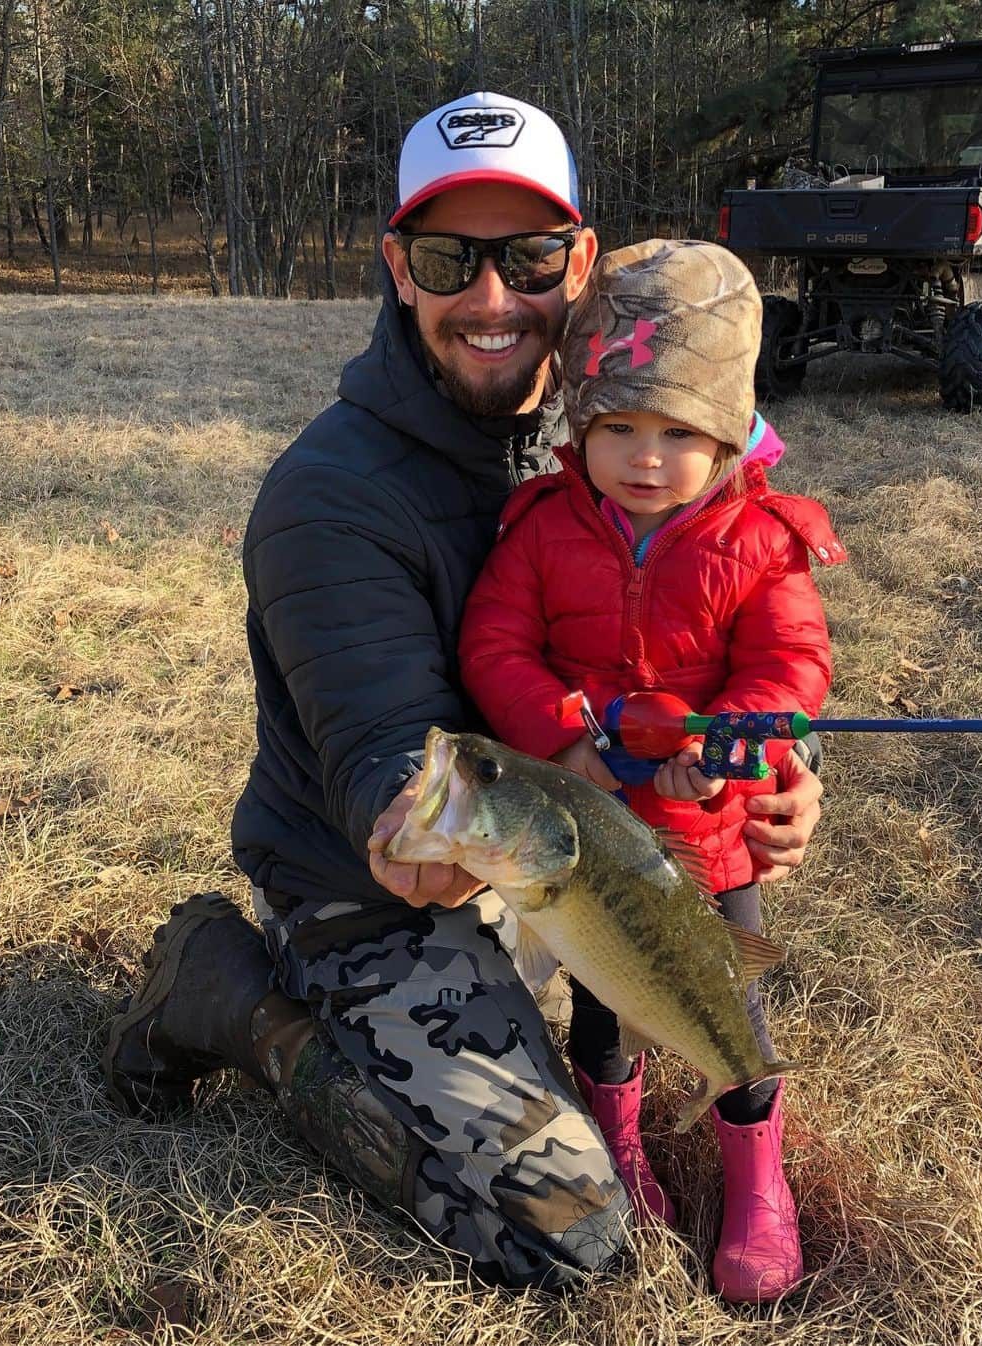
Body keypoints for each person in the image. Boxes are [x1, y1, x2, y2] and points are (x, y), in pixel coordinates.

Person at [101, 93, 825, 1294]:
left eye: (530, 256)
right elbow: (390, 753)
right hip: (381, 881)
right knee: (569, 1230)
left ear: (580, 258)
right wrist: (411, 834)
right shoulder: (328, 497)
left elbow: (731, 640)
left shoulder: (616, 438)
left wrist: (784, 777)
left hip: (580, 860)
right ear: (400, 267)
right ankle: (233, 1000)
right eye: (450, 259)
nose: (493, 299)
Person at [459, 238, 846, 1302]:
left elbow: (791, 667)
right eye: (616, 427)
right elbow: (496, 646)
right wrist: (567, 734)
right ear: (579, 427)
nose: (642, 455)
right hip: (588, 841)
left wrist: (721, 747)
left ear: (728, 434)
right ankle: (619, 1142)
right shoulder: (539, 529)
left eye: (678, 432)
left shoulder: (763, 541)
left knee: (729, 1004)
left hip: (711, 841)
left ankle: (754, 1169)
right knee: (603, 999)